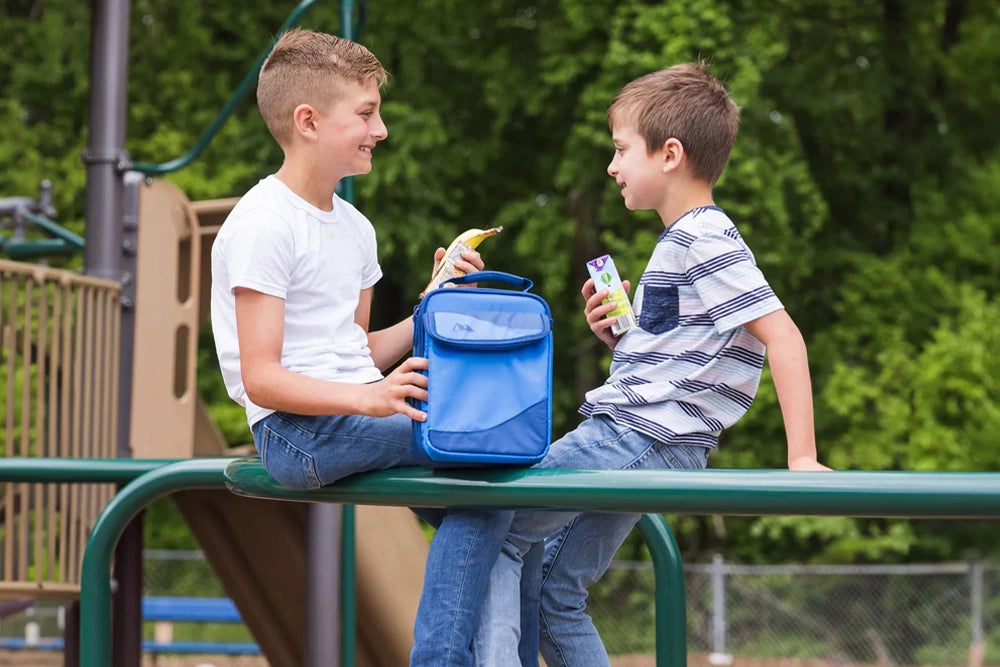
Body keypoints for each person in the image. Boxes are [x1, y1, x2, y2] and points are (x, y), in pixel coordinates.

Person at [428, 62, 831, 667]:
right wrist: (622, 337)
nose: (612, 167)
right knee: (555, 593)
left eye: (621, 150)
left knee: (495, 526)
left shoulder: (705, 239)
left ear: (669, 154)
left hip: (635, 435)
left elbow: (785, 337)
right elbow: (681, 361)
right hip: (653, 436)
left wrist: (802, 459)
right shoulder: (682, 241)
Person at [208, 27, 509, 666]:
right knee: (484, 456)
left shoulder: (355, 227)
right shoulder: (264, 224)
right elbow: (262, 377)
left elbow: (359, 348)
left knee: (495, 496)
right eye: (368, 114)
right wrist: (369, 401)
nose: (382, 130)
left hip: (350, 412)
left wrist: (429, 306)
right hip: (295, 431)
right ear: (309, 121)